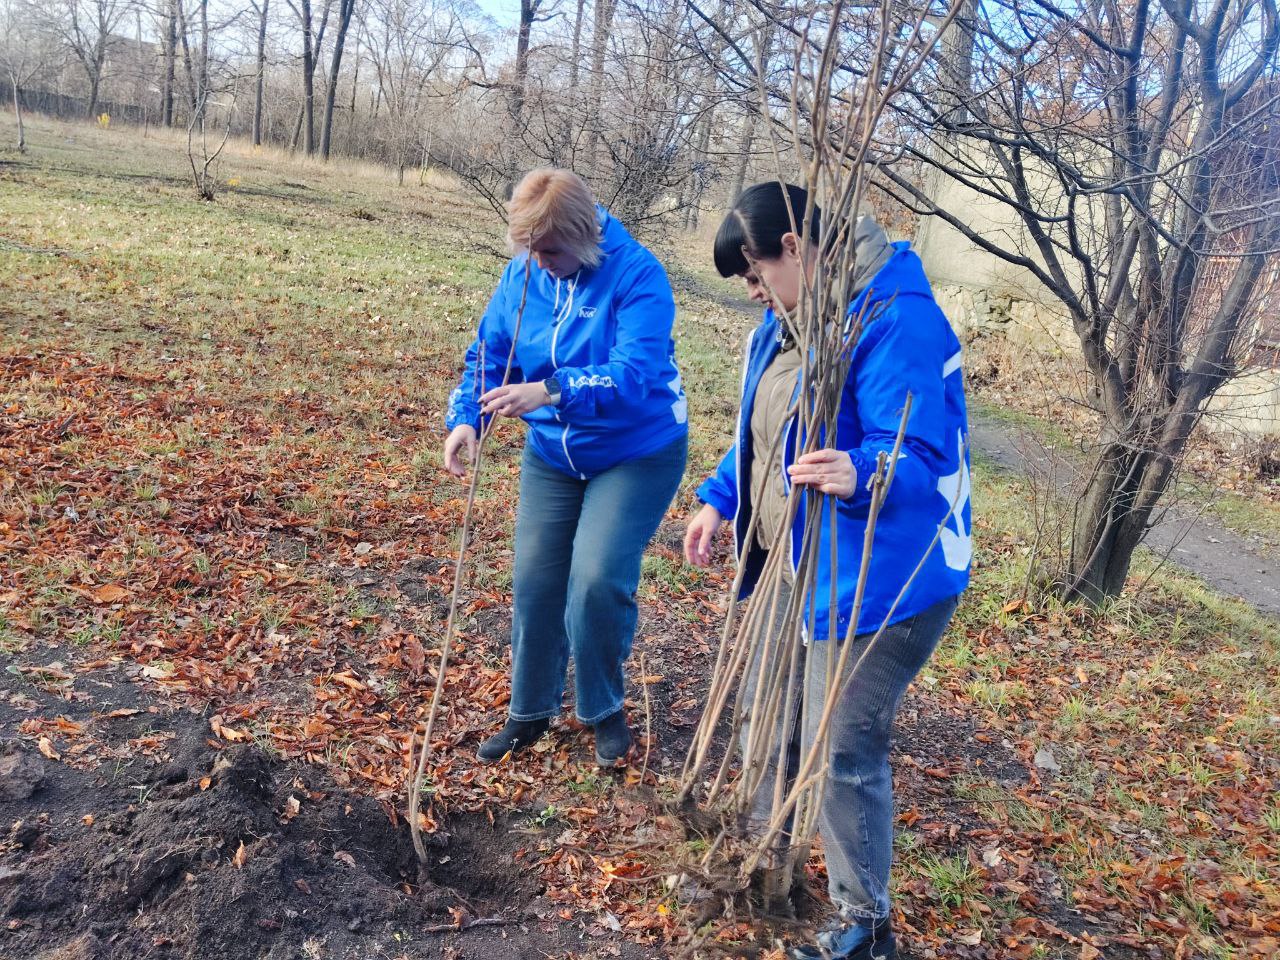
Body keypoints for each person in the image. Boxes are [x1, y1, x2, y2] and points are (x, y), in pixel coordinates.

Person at [683, 182, 971, 960]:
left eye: (754, 276)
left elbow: (922, 450)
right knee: (766, 714)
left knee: (840, 745)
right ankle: (762, 864)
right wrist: (721, 498)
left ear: (797, 250)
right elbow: (770, 427)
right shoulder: (793, 320)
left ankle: (865, 926)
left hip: (884, 575)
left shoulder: (894, 316)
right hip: (800, 559)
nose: (754, 295)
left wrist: (866, 469)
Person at [445, 168, 688, 767]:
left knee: (596, 580)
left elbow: (635, 376)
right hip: (554, 453)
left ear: (582, 236)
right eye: (529, 249)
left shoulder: (638, 277)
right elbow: (492, 353)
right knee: (535, 581)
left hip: (635, 450)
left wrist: (551, 391)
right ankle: (528, 712)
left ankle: (603, 707)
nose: (539, 260)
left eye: (549, 249)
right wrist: (467, 418)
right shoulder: (525, 272)